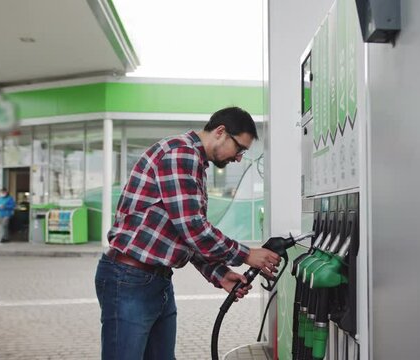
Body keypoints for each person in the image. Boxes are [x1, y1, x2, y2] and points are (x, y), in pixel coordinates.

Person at [94, 107, 281, 360]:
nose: (238, 158)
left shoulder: (192, 162)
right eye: (239, 149)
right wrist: (247, 254)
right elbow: (193, 228)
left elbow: (182, 235)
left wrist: (220, 274)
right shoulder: (180, 154)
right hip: (129, 279)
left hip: (155, 281)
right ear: (220, 132)